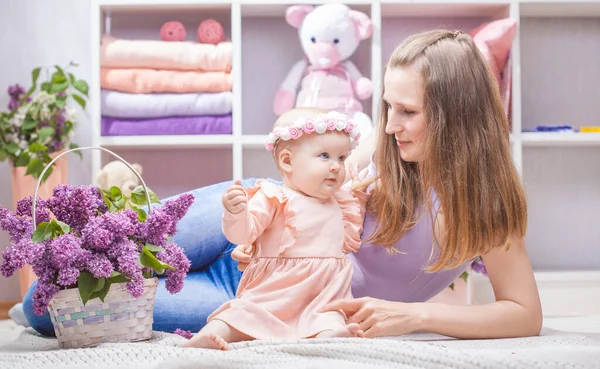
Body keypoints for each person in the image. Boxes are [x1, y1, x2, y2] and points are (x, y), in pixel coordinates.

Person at [22, 28, 542, 340]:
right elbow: (308, 178)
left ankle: (139, 203)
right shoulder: (382, 151)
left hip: (275, 304)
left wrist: (415, 315)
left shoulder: (486, 207)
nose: (387, 125)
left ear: (456, 117)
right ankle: (135, 203)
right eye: (387, 106)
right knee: (103, 248)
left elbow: (524, 314)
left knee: (45, 310)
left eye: (407, 112)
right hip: (254, 216)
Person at [183, 108, 368, 350]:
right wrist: (236, 212)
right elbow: (242, 235)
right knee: (241, 313)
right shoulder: (273, 197)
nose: (336, 166)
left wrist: (361, 200)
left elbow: (348, 239)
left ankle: (330, 337)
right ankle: (208, 336)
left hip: (321, 295)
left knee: (329, 316)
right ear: (287, 161)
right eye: (325, 156)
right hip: (275, 291)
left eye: (341, 158)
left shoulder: (340, 202)